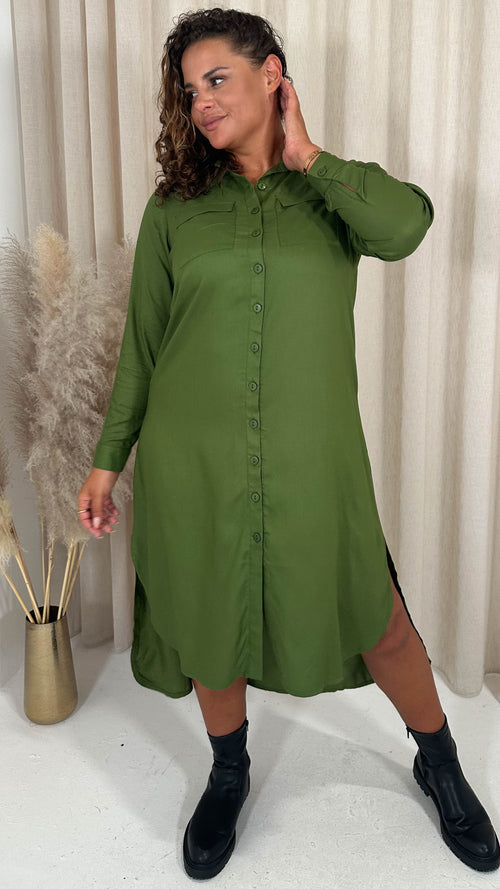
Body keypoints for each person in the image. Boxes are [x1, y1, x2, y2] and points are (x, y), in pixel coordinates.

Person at [77, 7, 499, 881]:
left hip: (315, 459)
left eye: (217, 79)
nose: (200, 101)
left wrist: (309, 156)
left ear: (271, 74)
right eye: (189, 89)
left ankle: (441, 761)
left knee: (378, 619)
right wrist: (107, 460)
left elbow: (408, 226)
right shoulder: (175, 208)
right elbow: (143, 345)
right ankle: (228, 772)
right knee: (210, 621)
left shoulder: (332, 194)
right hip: (195, 461)